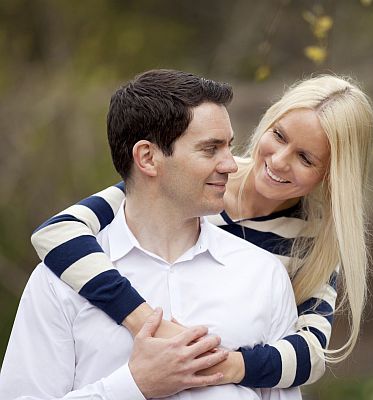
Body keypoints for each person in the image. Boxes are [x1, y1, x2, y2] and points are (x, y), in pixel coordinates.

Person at [28, 73, 373, 388]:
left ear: (330, 176)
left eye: (306, 158)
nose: (279, 160)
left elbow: (311, 354)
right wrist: (144, 321)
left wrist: (222, 365)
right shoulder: (198, 182)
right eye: (279, 136)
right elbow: (58, 233)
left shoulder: (313, 242)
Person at [0, 69, 301, 400]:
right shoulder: (57, 283)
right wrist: (134, 385)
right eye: (210, 149)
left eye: (228, 147)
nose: (231, 165)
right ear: (147, 157)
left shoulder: (263, 274)